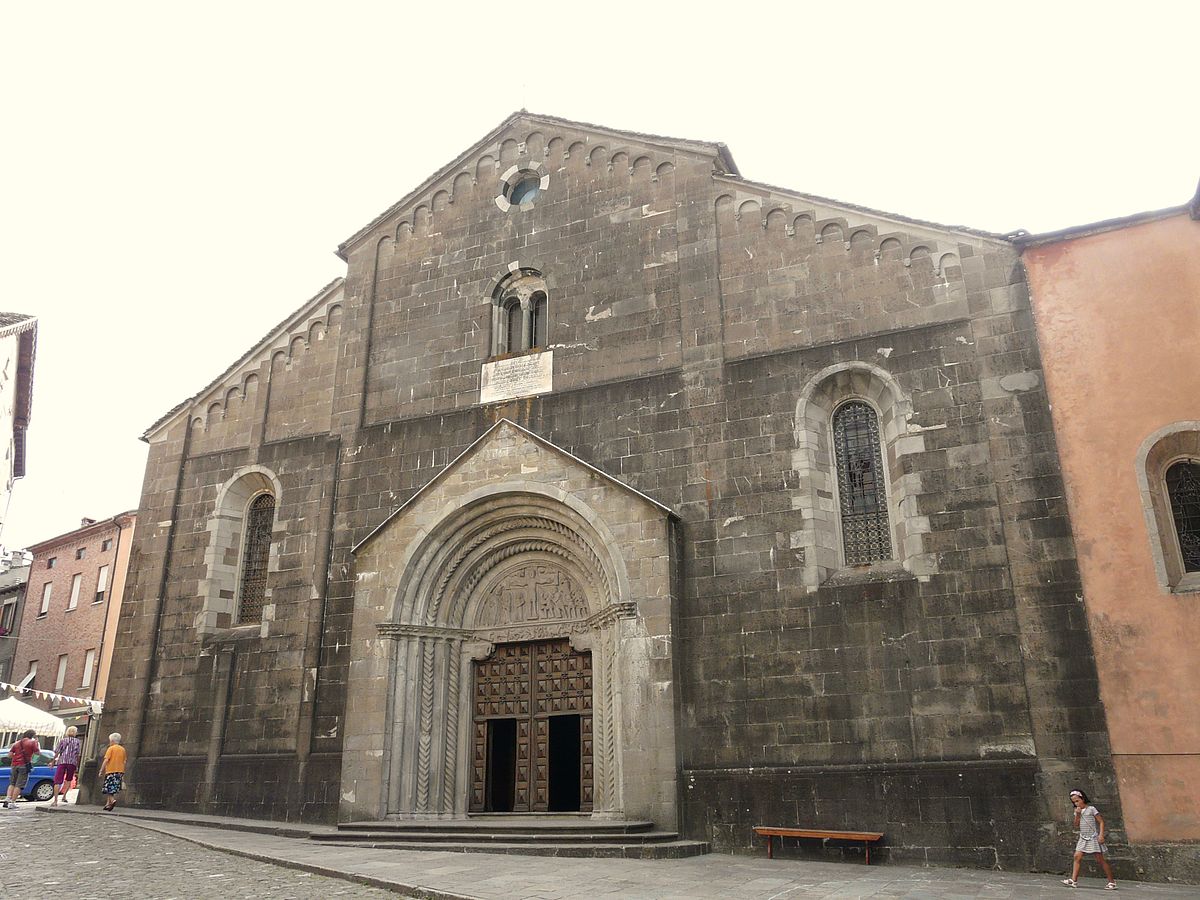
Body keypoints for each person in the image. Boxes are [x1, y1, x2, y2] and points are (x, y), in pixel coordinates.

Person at [1063, 789, 1117, 890]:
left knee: (1100, 859)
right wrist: (1078, 814)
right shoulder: (1077, 811)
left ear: (1082, 798)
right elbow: (1076, 825)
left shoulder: (1091, 809)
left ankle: (1112, 882)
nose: (1076, 803)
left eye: (1077, 801)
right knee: (1077, 857)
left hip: (1093, 837)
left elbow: (1101, 822)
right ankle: (1074, 880)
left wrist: (1101, 835)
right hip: (1083, 837)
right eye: (1074, 802)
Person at [3, 729, 40, 808]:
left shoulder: (17, 743)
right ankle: (12, 803)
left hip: (14, 765)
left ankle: (7, 799)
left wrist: (16, 757)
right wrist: (37, 743)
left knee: (12, 783)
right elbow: (38, 753)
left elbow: (9, 755)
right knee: (19, 785)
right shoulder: (32, 742)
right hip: (24, 765)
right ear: (33, 736)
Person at [50, 726, 82, 805]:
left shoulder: (63, 740)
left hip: (62, 762)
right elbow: (78, 754)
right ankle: (64, 796)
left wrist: (53, 761)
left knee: (57, 781)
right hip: (72, 762)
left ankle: (55, 801)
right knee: (68, 779)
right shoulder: (77, 741)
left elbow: (57, 752)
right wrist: (77, 764)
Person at [98, 732, 126, 811]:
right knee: (113, 787)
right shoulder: (123, 749)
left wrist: (101, 770)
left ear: (112, 741)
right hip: (120, 771)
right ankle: (108, 804)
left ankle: (112, 800)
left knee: (108, 788)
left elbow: (106, 760)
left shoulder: (111, 748)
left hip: (111, 771)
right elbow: (124, 761)